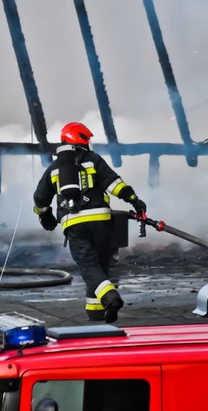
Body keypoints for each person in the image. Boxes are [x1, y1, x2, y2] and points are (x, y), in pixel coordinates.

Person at [33, 122, 147, 323]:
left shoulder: (54, 168)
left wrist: (45, 217)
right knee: (100, 266)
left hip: (74, 223)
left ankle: (110, 297)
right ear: (82, 140)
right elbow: (114, 184)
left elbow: (40, 199)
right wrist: (134, 200)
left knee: (89, 266)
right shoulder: (93, 160)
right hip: (101, 221)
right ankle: (96, 311)